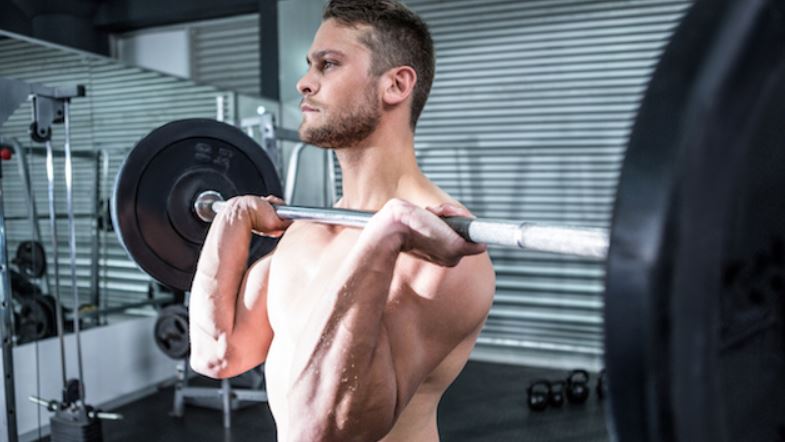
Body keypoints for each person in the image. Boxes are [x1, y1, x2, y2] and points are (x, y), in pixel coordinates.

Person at [189, 0, 496, 440]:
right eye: (310, 66)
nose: (304, 83)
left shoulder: (443, 253)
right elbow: (218, 354)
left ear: (395, 84)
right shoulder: (308, 229)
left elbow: (324, 430)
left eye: (328, 65)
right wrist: (229, 222)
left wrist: (382, 238)